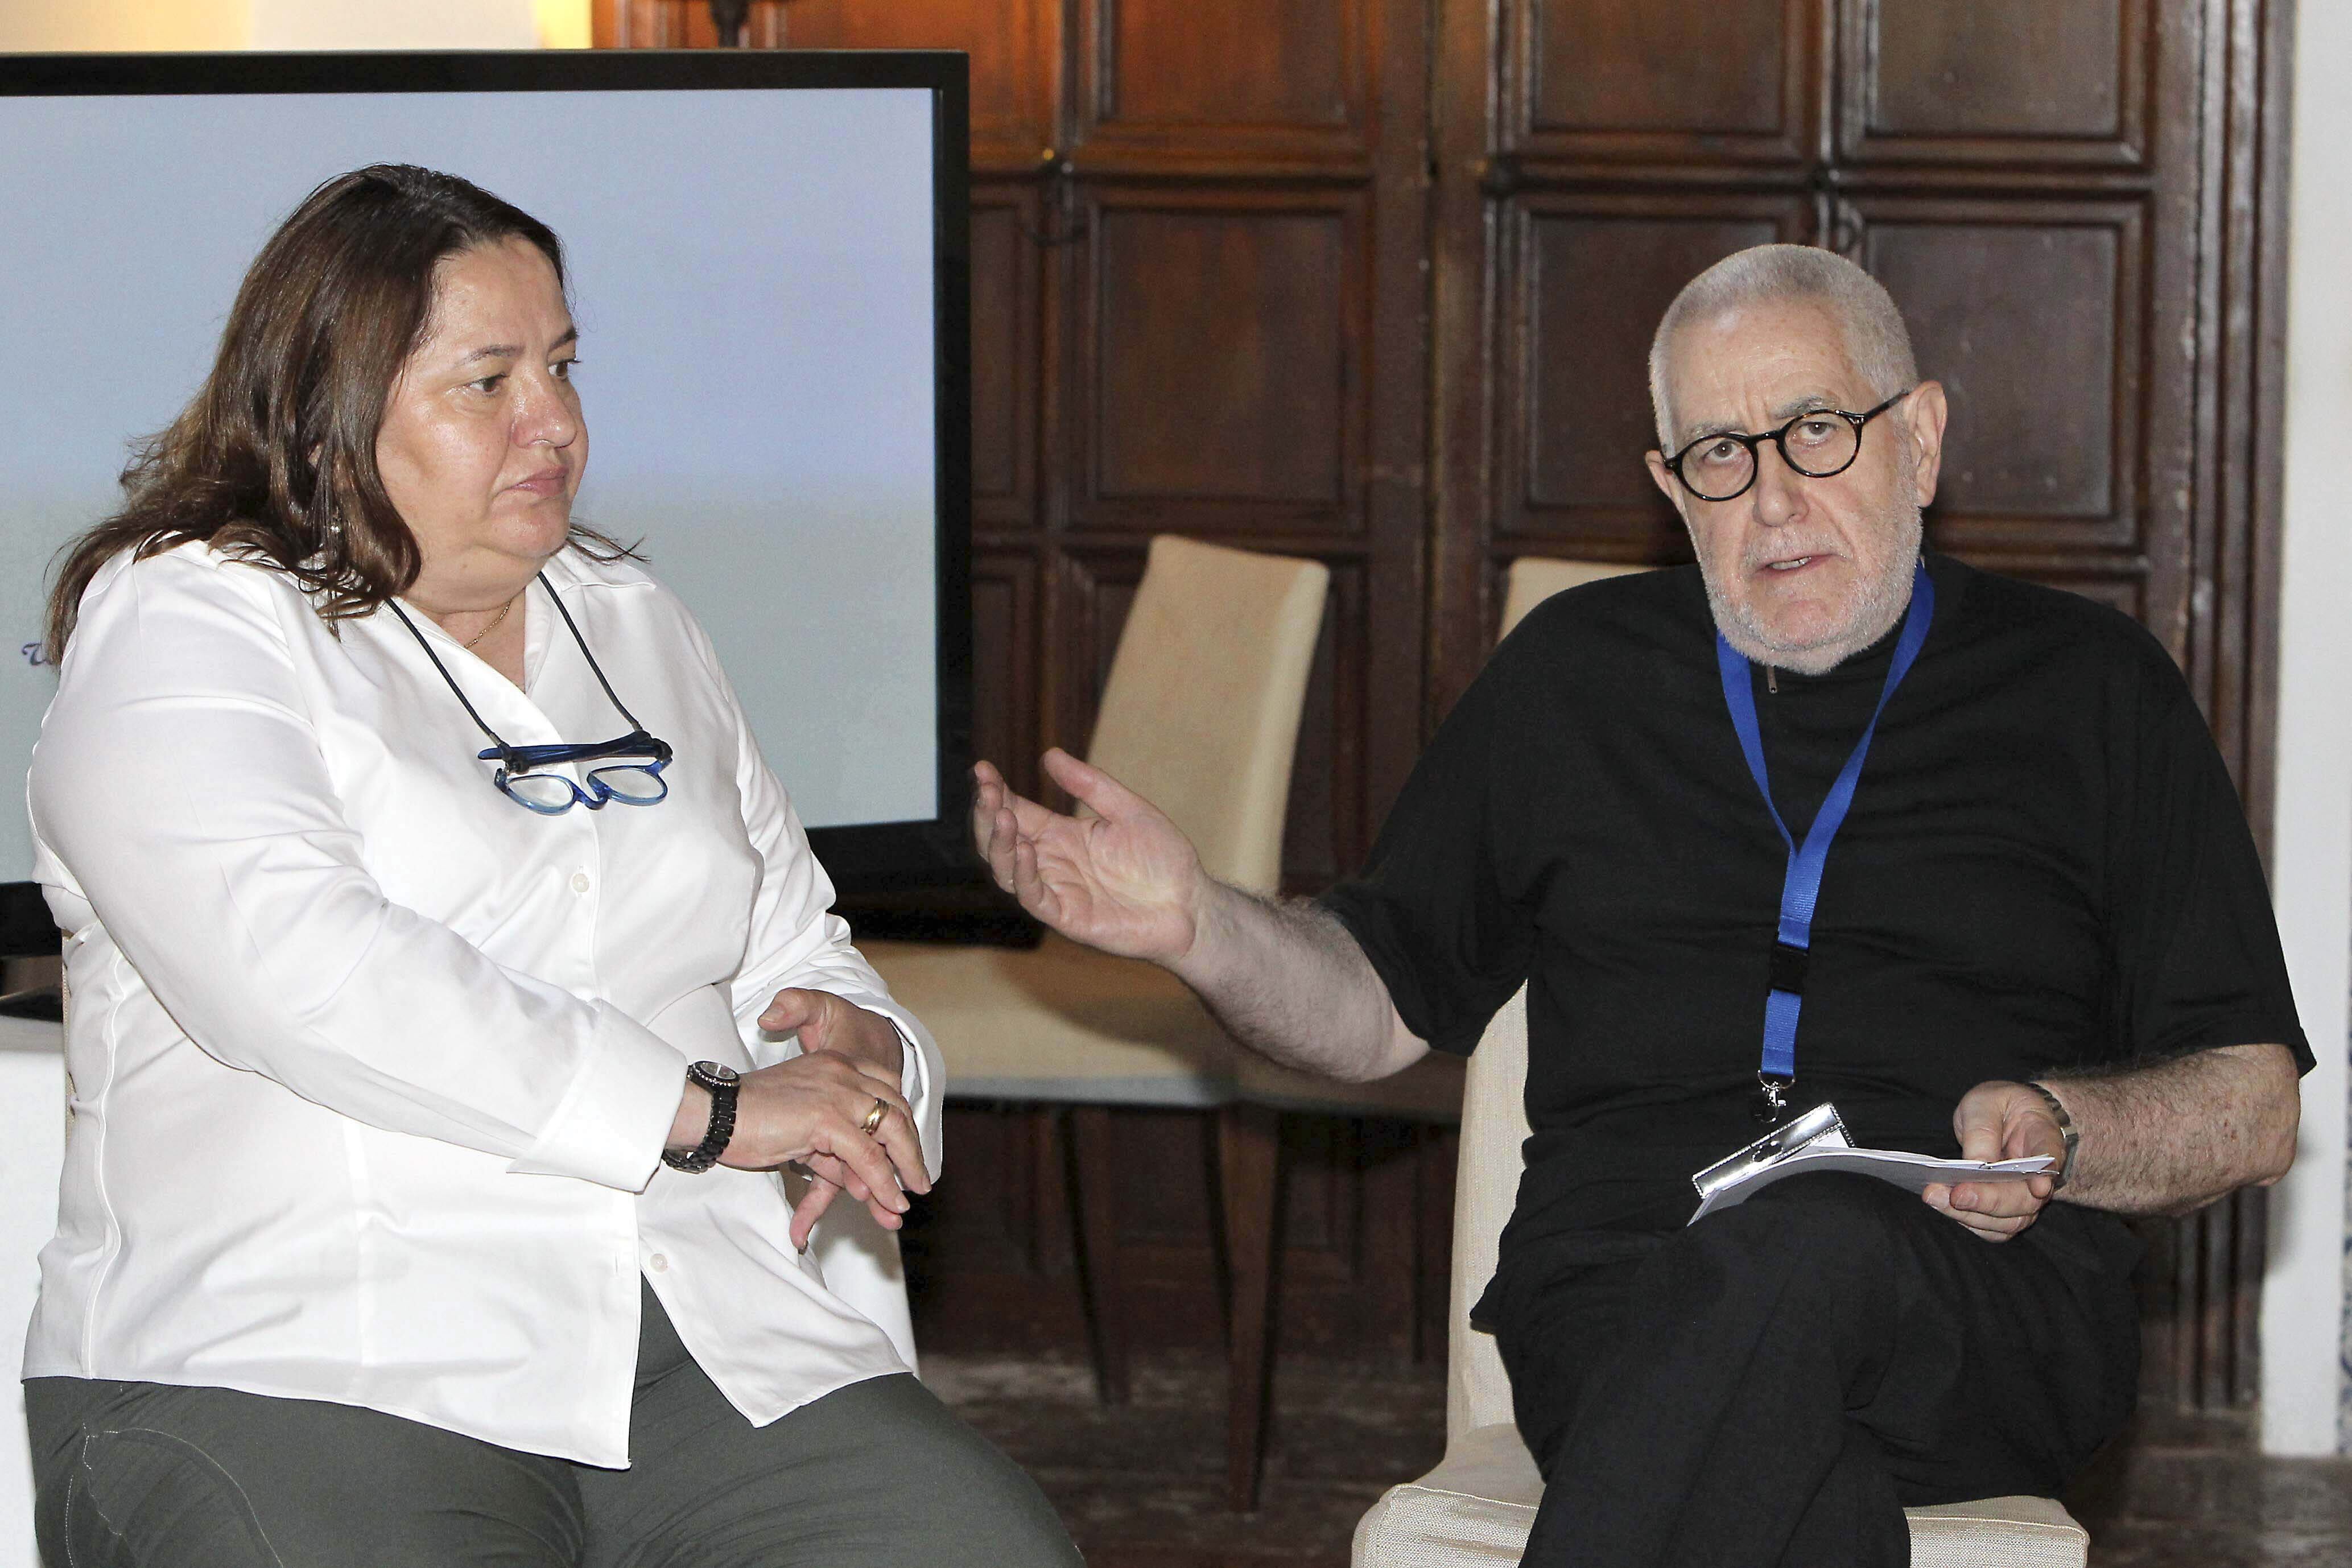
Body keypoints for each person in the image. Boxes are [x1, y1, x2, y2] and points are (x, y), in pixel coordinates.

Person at [974, 244, 2308, 1566]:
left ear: (1923, 439)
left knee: (1805, 1256)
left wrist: (2069, 1131)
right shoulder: (1572, 678)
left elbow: (2253, 1103)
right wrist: (1200, 922)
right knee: (1774, 1451)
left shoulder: (2093, 691)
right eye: (1721, 455)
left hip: (1979, 1306)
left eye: (1819, 433)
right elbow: (1374, 1008)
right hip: (1618, 1294)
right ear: (1671, 488)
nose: (1774, 501)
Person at [23, 164, 1079, 1567]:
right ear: (332, 408)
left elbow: (790, 935)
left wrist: (873, 1048)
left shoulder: (634, 619)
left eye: (566, 367)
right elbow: (302, 970)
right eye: (491, 381)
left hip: (697, 1340)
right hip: (311, 1350)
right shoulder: (186, 618)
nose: (559, 425)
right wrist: (702, 1113)